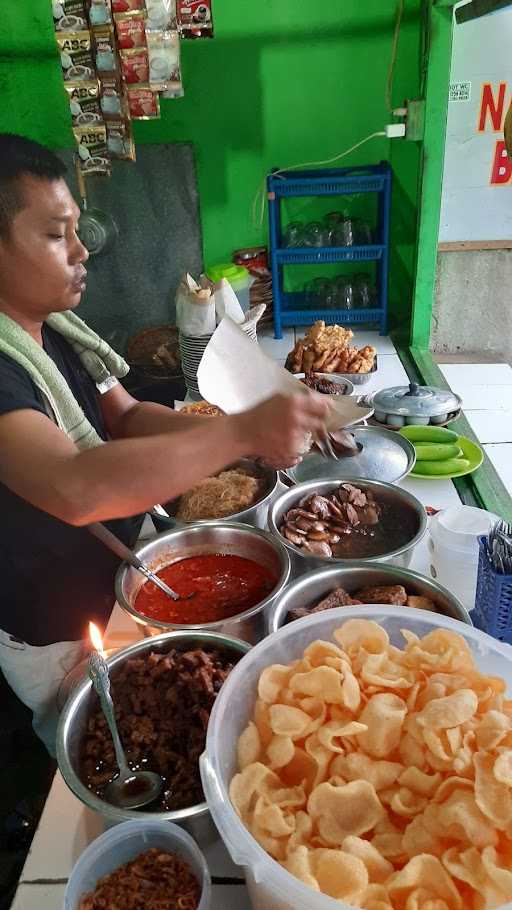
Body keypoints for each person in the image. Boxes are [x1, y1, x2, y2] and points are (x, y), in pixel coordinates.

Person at [0, 134, 330, 752]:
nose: (81, 251)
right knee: (108, 757)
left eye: (77, 230)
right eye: (54, 234)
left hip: (128, 583)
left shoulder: (54, 329)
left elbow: (126, 418)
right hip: (61, 635)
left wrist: (246, 444)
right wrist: (240, 430)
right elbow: (74, 487)